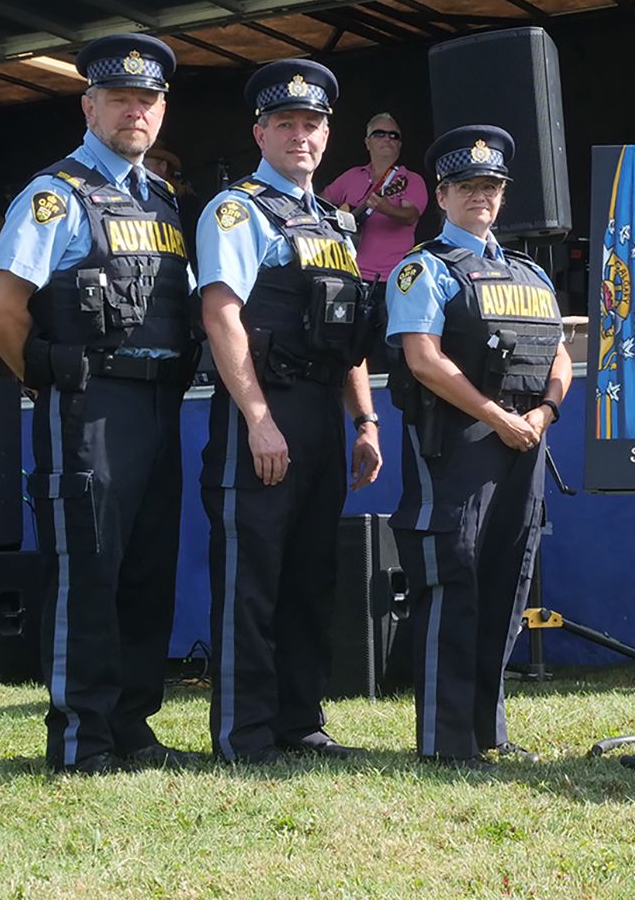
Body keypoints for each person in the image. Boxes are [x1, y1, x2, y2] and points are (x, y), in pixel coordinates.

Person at [0, 34, 198, 775]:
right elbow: (4, 303)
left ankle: (132, 725)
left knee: (145, 568)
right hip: (87, 403)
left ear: (161, 112)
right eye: (120, 99)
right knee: (89, 570)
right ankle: (81, 736)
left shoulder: (163, 199)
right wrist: (39, 374)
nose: (135, 112)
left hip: (157, 404)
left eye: (148, 101)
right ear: (89, 106)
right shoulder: (55, 194)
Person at [196, 58, 384, 764]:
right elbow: (222, 314)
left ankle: (299, 719)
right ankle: (243, 734)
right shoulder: (238, 209)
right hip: (263, 411)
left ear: (327, 135)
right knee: (253, 577)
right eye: (286, 124)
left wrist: (364, 421)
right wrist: (257, 417)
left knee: (311, 574)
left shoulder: (335, 220)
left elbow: (348, 331)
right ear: (260, 131)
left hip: (322, 415)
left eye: (311, 125)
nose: (300, 136)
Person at [383, 125, 570, 766]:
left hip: (525, 443)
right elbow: (424, 360)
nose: (481, 198)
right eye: (468, 187)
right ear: (442, 194)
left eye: (491, 187)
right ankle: (444, 740)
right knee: (451, 581)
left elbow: (561, 357)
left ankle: (487, 731)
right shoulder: (423, 269)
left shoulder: (529, 273)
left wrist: (542, 413)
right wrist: (496, 416)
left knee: (507, 584)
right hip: (457, 444)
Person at [322, 112, 427, 282]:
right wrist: (334, 221)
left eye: (394, 135)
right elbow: (319, 202)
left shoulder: (410, 180)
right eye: (379, 133)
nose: (387, 139)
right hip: (347, 272)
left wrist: (387, 209)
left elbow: (410, 216)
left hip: (392, 276)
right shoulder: (351, 176)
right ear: (367, 142)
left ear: (399, 144)